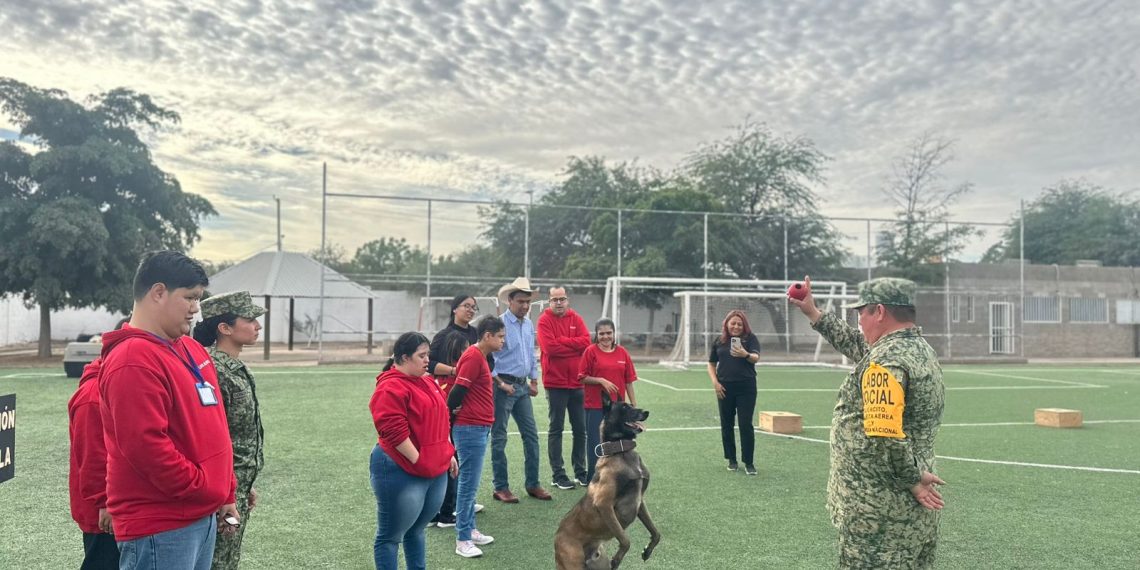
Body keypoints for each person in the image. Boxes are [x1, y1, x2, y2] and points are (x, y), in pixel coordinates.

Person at [789, 276, 946, 569]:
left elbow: (885, 434)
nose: (859, 321)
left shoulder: (886, 362)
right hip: (907, 513)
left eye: (861, 312)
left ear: (880, 311)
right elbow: (855, 342)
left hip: (878, 512)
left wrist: (912, 480)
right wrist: (813, 312)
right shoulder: (915, 348)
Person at [98, 251, 238, 570]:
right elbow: (147, 449)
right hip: (161, 525)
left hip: (198, 513)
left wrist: (225, 491)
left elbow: (216, 425)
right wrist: (206, 487)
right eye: (190, 297)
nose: (196, 308)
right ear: (158, 292)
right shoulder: (132, 360)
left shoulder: (189, 347)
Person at [369, 332, 458, 570]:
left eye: (428, 354)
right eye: (422, 355)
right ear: (404, 358)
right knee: (390, 536)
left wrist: (447, 452)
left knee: (416, 530)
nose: (428, 360)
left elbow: (443, 418)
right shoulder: (390, 387)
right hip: (401, 468)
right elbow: (392, 430)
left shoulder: (427, 381)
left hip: (433, 468)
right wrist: (418, 460)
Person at [192, 291, 267, 570]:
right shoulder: (214, 370)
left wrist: (245, 485)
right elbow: (210, 436)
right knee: (219, 558)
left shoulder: (232, 367)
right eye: (250, 320)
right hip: (222, 490)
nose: (257, 326)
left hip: (236, 486)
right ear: (224, 328)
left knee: (228, 553)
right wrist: (229, 489)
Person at [447, 317, 506, 558]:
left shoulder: (479, 356)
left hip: (478, 426)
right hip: (470, 428)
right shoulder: (473, 357)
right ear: (487, 336)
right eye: (500, 336)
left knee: (470, 484)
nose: (502, 341)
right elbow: (457, 391)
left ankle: (469, 529)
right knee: (468, 486)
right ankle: (462, 539)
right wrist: (449, 417)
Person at [427, 294, 487, 527]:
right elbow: (430, 364)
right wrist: (456, 372)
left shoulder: (475, 334)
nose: (470, 310)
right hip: (451, 396)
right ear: (454, 309)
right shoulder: (444, 336)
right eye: (466, 306)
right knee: (451, 456)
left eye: (474, 307)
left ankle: (457, 503)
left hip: (464, 398)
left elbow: (485, 363)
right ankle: (446, 510)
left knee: (457, 457)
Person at [489, 278, 551, 503]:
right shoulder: (498, 325)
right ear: (510, 300)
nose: (525, 306)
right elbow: (487, 358)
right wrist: (500, 383)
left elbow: (531, 354)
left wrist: (534, 380)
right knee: (499, 437)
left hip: (523, 387)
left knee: (531, 436)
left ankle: (533, 484)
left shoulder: (528, 325)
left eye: (528, 302)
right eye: (521, 301)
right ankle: (501, 487)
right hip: (502, 387)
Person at [536, 286, 591, 490]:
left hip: (577, 383)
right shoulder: (544, 321)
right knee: (556, 428)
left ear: (568, 300)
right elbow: (549, 348)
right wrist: (574, 348)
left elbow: (586, 342)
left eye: (562, 299)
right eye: (555, 299)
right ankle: (558, 474)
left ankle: (580, 472)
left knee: (580, 429)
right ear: (549, 301)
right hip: (555, 384)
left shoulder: (576, 318)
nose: (559, 303)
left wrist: (563, 342)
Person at [68, 358, 120, 569]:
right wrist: (105, 502)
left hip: (116, 504)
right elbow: (92, 457)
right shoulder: (92, 396)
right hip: (103, 513)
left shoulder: (110, 385)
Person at [577, 318, 638, 484]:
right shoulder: (590, 351)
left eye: (609, 333)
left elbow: (629, 381)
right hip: (595, 406)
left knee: (618, 444)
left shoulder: (622, 353)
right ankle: (594, 480)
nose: (605, 337)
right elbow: (581, 377)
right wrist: (600, 380)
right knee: (596, 444)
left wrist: (633, 404)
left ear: (614, 333)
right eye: (601, 333)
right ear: (596, 335)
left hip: (618, 410)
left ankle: (616, 478)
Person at [706, 309, 762, 476]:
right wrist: (715, 383)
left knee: (745, 424)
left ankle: (749, 462)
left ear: (744, 326)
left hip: (746, 388)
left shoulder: (750, 339)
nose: (736, 326)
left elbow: (756, 358)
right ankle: (732, 459)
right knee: (727, 424)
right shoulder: (719, 341)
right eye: (733, 323)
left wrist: (745, 354)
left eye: (740, 324)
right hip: (724, 388)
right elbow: (711, 364)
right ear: (727, 324)